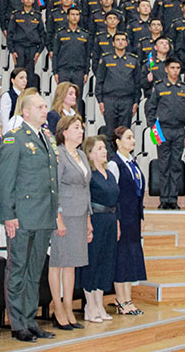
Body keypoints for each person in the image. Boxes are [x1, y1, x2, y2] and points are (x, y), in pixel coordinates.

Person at [0, 92, 59, 342]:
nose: (45, 110)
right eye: (40, 107)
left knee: (35, 271)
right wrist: (8, 215)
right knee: (18, 270)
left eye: (45, 106)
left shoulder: (47, 137)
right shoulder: (14, 139)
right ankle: (17, 322)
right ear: (25, 112)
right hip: (22, 216)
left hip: (44, 215)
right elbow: (5, 181)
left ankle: (30, 319)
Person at [49, 116, 92, 329]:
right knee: (58, 262)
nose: (80, 131)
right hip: (64, 214)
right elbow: (53, 186)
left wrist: (89, 218)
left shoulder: (82, 155)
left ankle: (68, 306)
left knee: (72, 264)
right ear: (64, 131)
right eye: (76, 128)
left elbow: (86, 188)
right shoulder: (59, 154)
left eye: (81, 128)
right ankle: (57, 307)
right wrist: (57, 218)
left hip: (80, 214)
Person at [78, 135, 118, 323]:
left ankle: (99, 303)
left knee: (106, 262)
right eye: (99, 148)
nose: (104, 151)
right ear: (90, 153)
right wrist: (88, 223)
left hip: (110, 219)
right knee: (93, 262)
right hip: (96, 219)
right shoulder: (89, 174)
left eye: (104, 148)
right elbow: (86, 199)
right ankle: (90, 304)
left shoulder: (109, 173)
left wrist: (116, 222)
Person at [145, 58, 185, 210]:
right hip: (162, 130)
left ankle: (174, 199)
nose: (175, 71)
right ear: (166, 69)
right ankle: (164, 199)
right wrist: (154, 133)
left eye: (178, 68)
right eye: (172, 68)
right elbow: (150, 110)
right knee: (164, 165)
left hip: (179, 131)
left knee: (176, 165)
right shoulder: (159, 87)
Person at [110, 127, 146, 314]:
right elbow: (113, 194)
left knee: (131, 257)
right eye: (128, 137)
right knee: (121, 258)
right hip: (122, 218)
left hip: (134, 219)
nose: (133, 141)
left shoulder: (133, 162)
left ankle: (128, 299)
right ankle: (121, 300)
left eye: (133, 137)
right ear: (118, 141)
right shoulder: (114, 164)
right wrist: (116, 219)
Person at [95, 32, 141, 136]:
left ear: (126, 43)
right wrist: (100, 101)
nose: (120, 42)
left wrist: (135, 102)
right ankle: (111, 152)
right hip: (109, 99)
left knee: (125, 132)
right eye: (118, 40)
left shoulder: (133, 60)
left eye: (123, 40)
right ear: (113, 43)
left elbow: (137, 83)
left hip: (127, 100)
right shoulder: (106, 59)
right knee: (110, 131)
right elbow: (99, 81)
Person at [7, 0, 45, 88]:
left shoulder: (37, 16)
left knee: (30, 74)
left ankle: (28, 95)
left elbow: (42, 34)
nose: (28, 0)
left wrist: (39, 51)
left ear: (33, 1)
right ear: (22, 0)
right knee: (18, 73)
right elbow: (10, 33)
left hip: (32, 48)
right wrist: (12, 50)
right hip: (19, 47)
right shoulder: (16, 15)